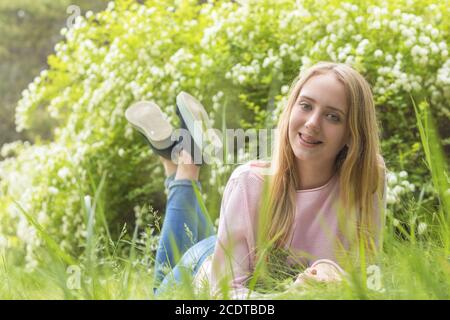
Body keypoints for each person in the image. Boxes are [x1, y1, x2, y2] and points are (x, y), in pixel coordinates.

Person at [125, 62, 386, 299]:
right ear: (290, 110)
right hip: (205, 273)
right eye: (305, 106)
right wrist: (290, 297)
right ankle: (184, 166)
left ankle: (174, 160)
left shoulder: (368, 178)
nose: (312, 123)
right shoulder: (249, 182)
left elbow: (368, 275)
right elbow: (223, 294)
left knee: (213, 239)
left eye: (333, 116)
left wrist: (335, 273)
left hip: (236, 247)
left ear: (353, 133)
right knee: (161, 293)